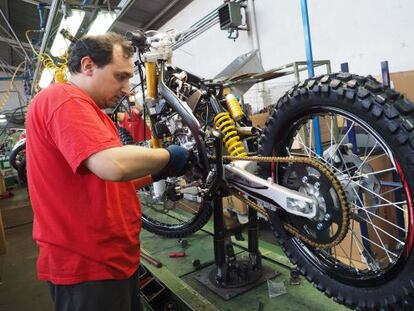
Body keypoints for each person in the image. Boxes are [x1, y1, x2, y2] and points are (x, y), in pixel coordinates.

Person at [25, 32, 191, 311]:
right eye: (120, 76)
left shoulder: (91, 111)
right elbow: (111, 166)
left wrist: (159, 171)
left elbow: (103, 179)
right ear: (88, 66)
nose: (127, 89)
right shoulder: (63, 98)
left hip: (111, 260)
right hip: (87, 265)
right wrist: (167, 155)